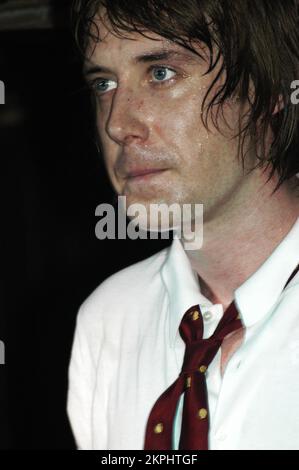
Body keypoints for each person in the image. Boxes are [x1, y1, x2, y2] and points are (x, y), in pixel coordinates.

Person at [67, 0, 299, 450]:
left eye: (160, 74)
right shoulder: (109, 318)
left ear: (270, 89)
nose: (117, 123)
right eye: (103, 83)